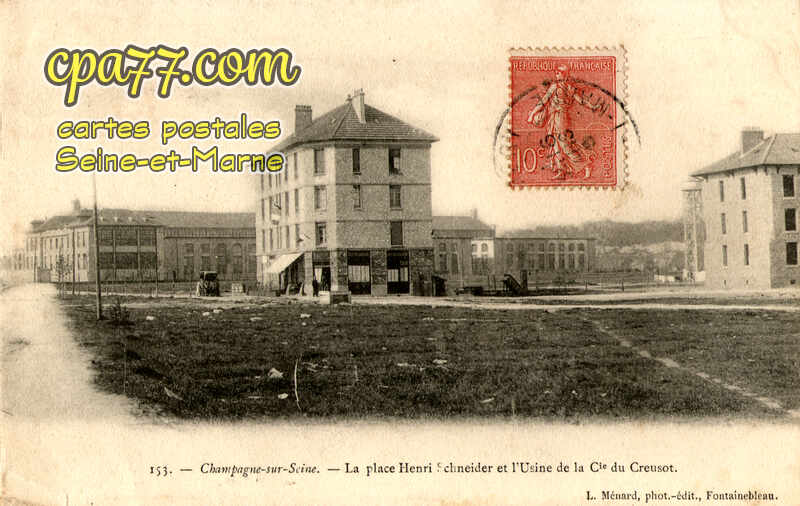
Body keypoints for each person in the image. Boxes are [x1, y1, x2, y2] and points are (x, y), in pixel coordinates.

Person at [527, 64, 604, 179]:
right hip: (557, 117)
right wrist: (592, 106)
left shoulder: (557, 87)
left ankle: (585, 165)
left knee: (563, 144)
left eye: (558, 73)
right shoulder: (568, 87)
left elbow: (543, 101)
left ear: (564, 75)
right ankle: (561, 170)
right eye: (556, 73)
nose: (556, 74)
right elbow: (581, 101)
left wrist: (533, 114)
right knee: (555, 143)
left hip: (559, 117)